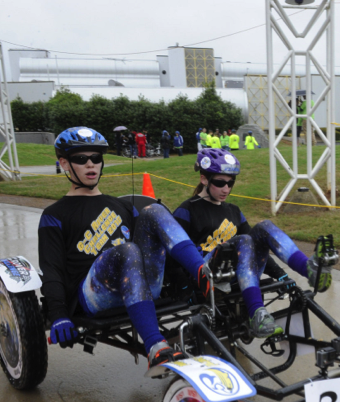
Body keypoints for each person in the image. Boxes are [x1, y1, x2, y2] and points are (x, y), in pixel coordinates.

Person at [38, 127, 213, 367]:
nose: (91, 165)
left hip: (140, 284)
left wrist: (184, 284)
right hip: (94, 294)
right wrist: (58, 314)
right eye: (81, 159)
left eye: (96, 158)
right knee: (127, 250)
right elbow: (51, 269)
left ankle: (201, 272)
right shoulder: (54, 215)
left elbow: (155, 246)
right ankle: (155, 345)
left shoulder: (122, 206)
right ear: (64, 163)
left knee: (155, 210)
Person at [174, 149, 332, 337]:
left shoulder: (233, 210)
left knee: (264, 227)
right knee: (244, 240)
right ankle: (256, 312)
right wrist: (184, 286)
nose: (226, 189)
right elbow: (174, 252)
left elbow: (255, 245)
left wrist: (281, 276)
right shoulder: (187, 210)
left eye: (231, 183)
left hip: (241, 272)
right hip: (209, 277)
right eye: (220, 183)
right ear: (203, 179)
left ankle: (310, 270)